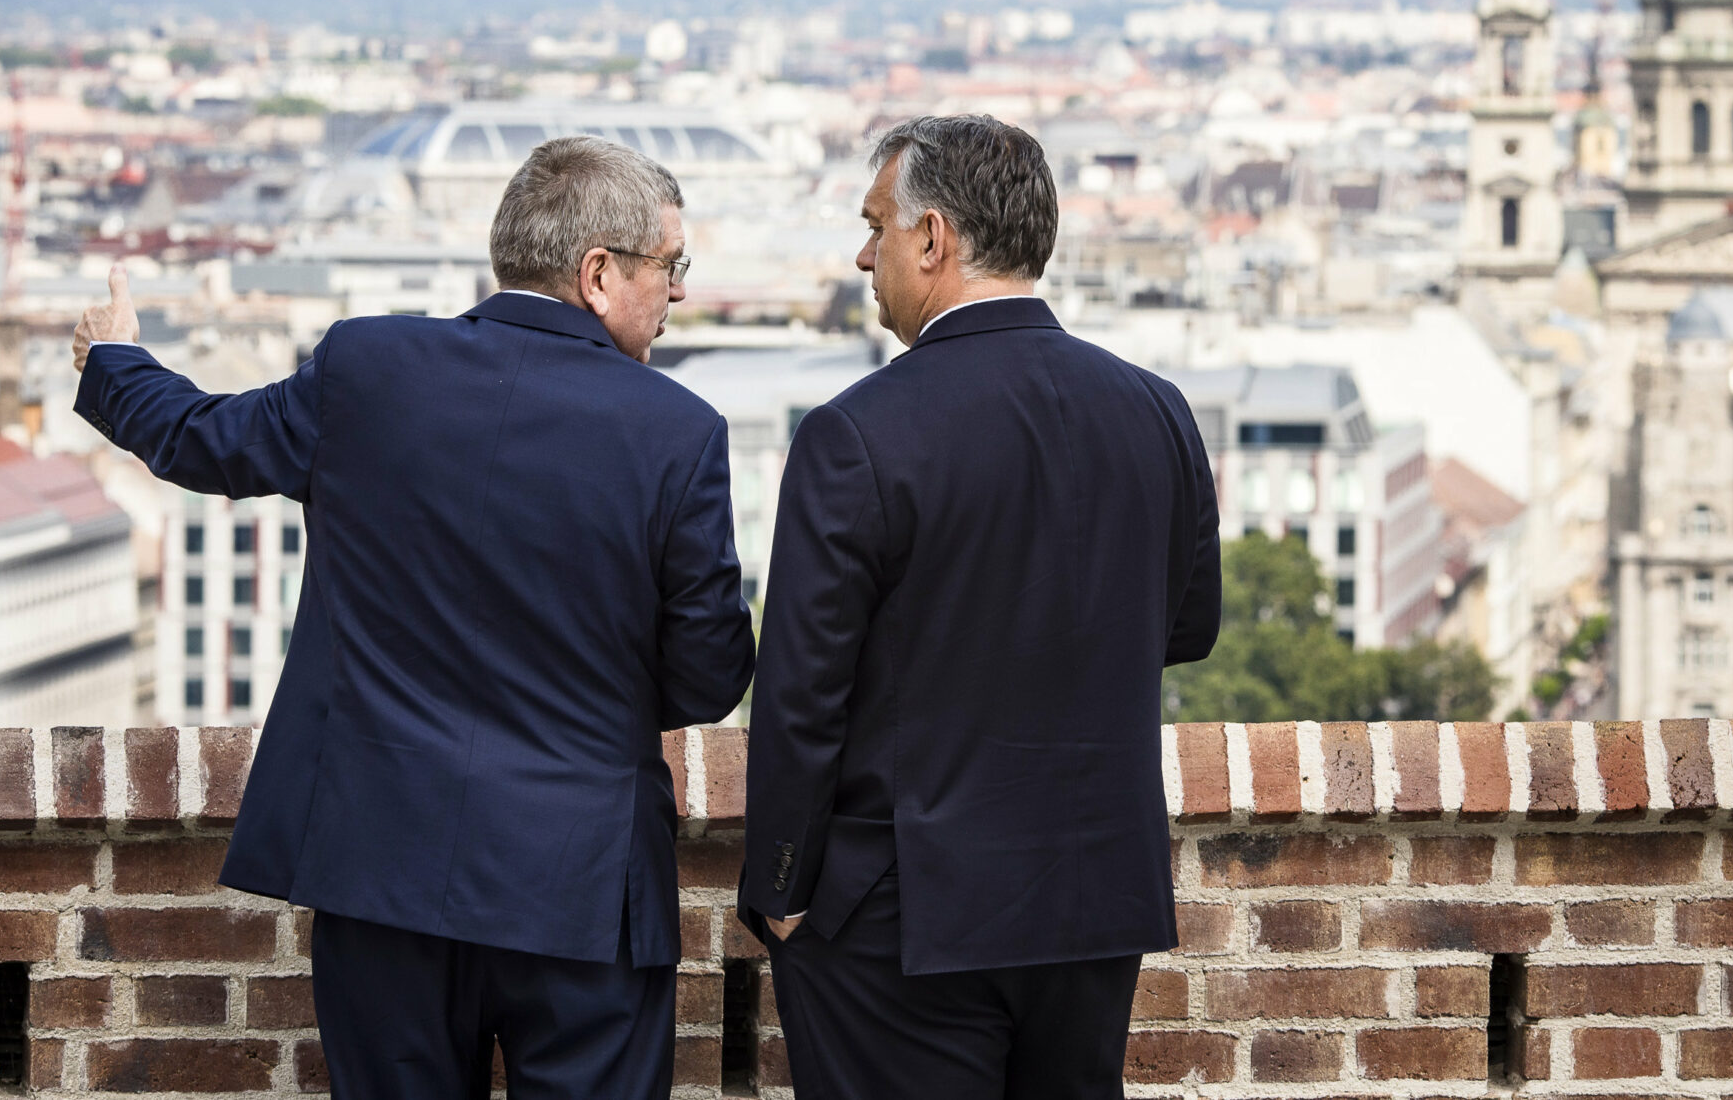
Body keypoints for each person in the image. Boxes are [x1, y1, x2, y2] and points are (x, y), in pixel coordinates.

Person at [72, 135, 754, 1100]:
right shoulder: (679, 433)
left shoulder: (369, 366)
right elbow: (711, 675)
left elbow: (203, 442)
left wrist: (115, 361)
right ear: (598, 273)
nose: (678, 292)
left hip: (381, 870)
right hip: (583, 887)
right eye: (670, 267)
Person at [740, 114, 1223, 1100]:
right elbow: (1188, 625)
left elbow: (800, 693)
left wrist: (781, 887)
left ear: (934, 239)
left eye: (877, 224)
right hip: (1093, 900)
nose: (864, 252)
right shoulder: (1157, 408)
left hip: (902, 911)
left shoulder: (856, 433)